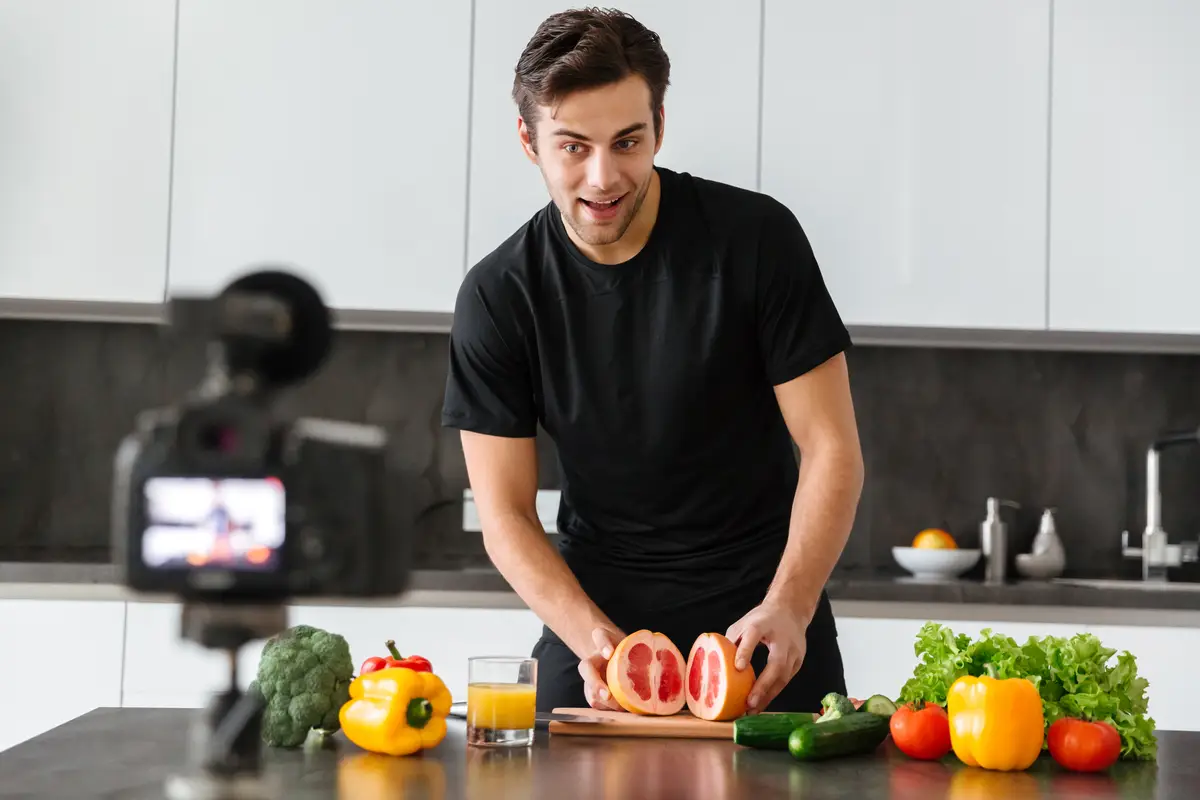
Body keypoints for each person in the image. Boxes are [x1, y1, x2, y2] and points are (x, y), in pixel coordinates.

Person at [441, 8, 864, 715]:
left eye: (627, 142)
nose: (603, 178)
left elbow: (831, 447)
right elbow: (505, 514)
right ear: (528, 141)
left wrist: (790, 604)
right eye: (572, 146)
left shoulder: (758, 241)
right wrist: (593, 642)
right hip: (594, 619)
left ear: (660, 127)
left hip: (766, 619)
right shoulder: (498, 295)